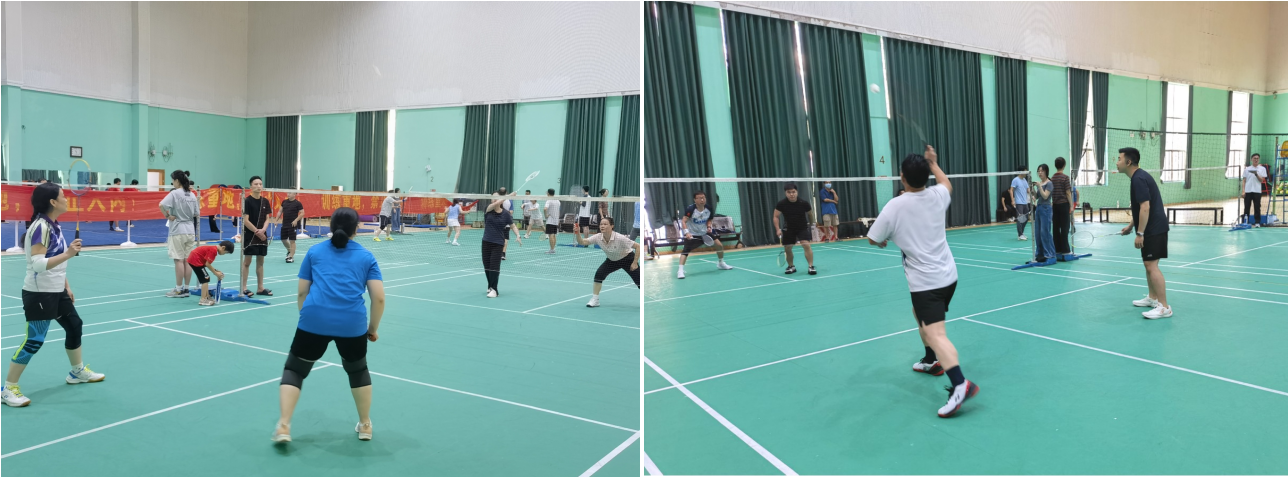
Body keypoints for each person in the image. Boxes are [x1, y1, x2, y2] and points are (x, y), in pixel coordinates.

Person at [865, 145, 978, 418]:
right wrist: (934, 162)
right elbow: (946, 183)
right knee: (920, 316)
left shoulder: (895, 205)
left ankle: (960, 385)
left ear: (902, 177)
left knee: (936, 334)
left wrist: (882, 239)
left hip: (927, 284)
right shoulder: (937, 195)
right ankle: (930, 361)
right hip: (948, 277)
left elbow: (872, 238)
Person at [273, 207, 384, 443]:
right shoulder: (367, 257)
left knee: (294, 370)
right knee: (358, 371)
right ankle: (365, 425)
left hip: (313, 320)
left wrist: (308, 318)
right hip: (352, 324)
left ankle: (283, 426)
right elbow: (379, 299)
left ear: (331, 227)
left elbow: (302, 292)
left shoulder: (314, 251)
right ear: (356, 229)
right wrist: (372, 329)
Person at [3, 183, 105, 408]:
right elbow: (38, 264)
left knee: (74, 325)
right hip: (40, 294)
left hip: (56, 290)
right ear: (52, 202)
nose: (66, 199)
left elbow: (55, 258)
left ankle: (76, 371)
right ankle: (8, 388)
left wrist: (66, 285)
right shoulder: (41, 227)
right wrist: (69, 253)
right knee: (34, 340)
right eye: (62, 196)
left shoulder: (53, 225)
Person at [1117, 147, 1172, 319]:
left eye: (1119, 159)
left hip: (1154, 229)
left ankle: (1164, 307)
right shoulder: (1138, 177)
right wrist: (1131, 226)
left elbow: (1145, 207)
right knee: (1148, 264)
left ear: (1128, 162)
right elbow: (1140, 208)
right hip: (1152, 227)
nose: (1117, 162)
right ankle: (1152, 298)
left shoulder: (1138, 179)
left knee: (1151, 266)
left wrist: (1139, 233)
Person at [573, 217, 641, 307]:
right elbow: (582, 242)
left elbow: (638, 246)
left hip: (627, 259)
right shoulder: (598, 237)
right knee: (599, 275)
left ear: (612, 226)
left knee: (639, 281)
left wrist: (635, 262)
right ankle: (595, 300)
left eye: (605, 224)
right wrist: (578, 233)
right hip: (612, 260)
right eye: (601, 224)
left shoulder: (620, 238)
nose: (602, 226)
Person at [160, 171, 201, 298]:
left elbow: (161, 205)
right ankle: (186, 289)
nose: (172, 183)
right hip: (190, 230)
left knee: (178, 260)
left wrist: (167, 215)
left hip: (178, 230)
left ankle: (178, 290)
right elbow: (196, 213)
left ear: (177, 181)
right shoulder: (192, 194)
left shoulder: (174, 193)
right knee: (187, 260)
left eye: (173, 180)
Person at [676, 191, 734, 279]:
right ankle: (680, 271)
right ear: (695, 200)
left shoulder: (709, 208)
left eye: (703, 198)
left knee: (719, 245)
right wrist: (687, 232)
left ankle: (721, 263)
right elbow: (683, 221)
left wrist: (709, 226)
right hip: (693, 233)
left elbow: (709, 220)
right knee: (686, 251)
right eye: (699, 198)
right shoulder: (690, 209)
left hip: (704, 232)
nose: (702, 200)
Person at [241, 176, 274, 297]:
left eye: (260, 184)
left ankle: (260, 288)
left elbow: (267, 218)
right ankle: (243, 288)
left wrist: (263, 230)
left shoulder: (265, 201)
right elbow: (246, 220)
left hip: (262, 234)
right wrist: (257, 231)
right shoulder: (247, 201)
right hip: (250, 235)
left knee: (260, 261)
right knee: (247, 262)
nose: (259, 186)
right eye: (256, 184)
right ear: (251, 186)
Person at [774, 182, 817, 275]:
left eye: (793, 192)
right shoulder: (781, 204)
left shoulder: (804, 203)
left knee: (806, 245)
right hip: (788, 228)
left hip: (802, 227)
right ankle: (791, 266)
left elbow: (810, 214)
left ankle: (811, 266)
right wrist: (778, 229)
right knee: (788, 248)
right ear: (785, 193)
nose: (791, 194)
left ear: (797, 192)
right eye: (789, 192)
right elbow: (776, 216)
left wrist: (812, 224)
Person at [482, 194, 513, 297]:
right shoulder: (487, 209)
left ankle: (495, 290)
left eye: (497, 197)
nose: (494, 198)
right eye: (493, 197)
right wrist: (509, 196)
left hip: (498, 243)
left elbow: (512, 225)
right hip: (486, 242)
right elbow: (495, 204)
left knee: (494, 266)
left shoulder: (505, 214)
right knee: (487, 266)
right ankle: (490, 286)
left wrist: (518, 235)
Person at [187, 241, 234, 306]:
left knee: (206, 278)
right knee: (205, 278)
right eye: (225, 252)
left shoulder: (213, 249)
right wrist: (216, 273)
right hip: (196, 260)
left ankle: (207, 296)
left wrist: (216, 270)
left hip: (196, 259)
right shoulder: (213, 251)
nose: (224, 254)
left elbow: (206, 263)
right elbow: (207, 264)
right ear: (223, 248)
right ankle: (203, 299)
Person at [1030, 164, 1056, 266]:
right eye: (1038, 171)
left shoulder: (1049, 183)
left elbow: (1045, 196)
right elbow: (1036, 197)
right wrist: (1032, 189)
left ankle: (1050, 254)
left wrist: (1039, 187)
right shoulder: (1040, 183)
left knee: (1045, 232)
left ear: (1046, 172)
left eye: (1042, 171)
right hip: (1039, 208)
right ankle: (1040, 254)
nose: (1040, 173)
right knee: (1038, 233)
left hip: (1046, 209)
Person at [1051, 157, 1074, 259]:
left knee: (1056, 228)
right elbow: (1068, 192)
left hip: (1055, 206)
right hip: (1064, 205)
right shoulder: (1065, 178)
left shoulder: (1052, 178)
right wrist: (1071, 205)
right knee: (1065, 228)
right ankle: (1065, 250)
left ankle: (1057, 249)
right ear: (1064, 165)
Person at [1242, 153, 1268, 227]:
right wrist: (1243, 191)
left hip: (1257, 191)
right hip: (1248, 191)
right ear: (1251, 159)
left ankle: (1257, 222)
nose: (1256, 160)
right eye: (1254, 158)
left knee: (1257, 207)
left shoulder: (1262, 169)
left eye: (1257, 158)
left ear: (1259, 159)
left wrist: (1256, 174)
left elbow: (1262, 180)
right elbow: (1244, 180)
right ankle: (1246, 222)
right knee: (1247, 207)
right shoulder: (1247, 169)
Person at [279, 191, 304, 263]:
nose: (288, 194)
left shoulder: (298, 203)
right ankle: (289, 250)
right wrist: (276, 220)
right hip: (285, 224)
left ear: (295, 194)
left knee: (292, 240)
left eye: (290, 193)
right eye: (288, 193)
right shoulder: (284, 202)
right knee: (283, 239)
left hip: (293, 224)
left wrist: (296, 220)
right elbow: (280, 211)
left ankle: (291, 257)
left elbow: (302, 213)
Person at [498, 187, 521, 260]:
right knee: (505, 238)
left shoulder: (496, 199)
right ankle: (503, 254)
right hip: (506, 221)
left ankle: (498, 253)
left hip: (498, 221)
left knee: (499, 238)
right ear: (506, 192)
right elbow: (511, 212)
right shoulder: (509, 200)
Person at [1009, 169, 1031, 241]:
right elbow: (1011, 190)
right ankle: (1020, 234)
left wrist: (1032, 196)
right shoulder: (1015, 180)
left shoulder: (1025, 180)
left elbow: (1028, 190)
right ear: (1021, 172)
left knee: (1026, 218)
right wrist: (1012, 200)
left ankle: (1021, 233)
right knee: (1020, 219)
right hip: (1019, 203)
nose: (1026, 173)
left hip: (1025, 203)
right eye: (1025, 171)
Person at [544, 189, 561, 254]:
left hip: (550, 220)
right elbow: (559, 210)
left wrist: (546, 215)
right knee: (554, 235)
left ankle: (552, 249)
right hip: (556, 220)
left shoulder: (548, 200)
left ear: (548, 193)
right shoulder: (558, 201)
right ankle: (553, 249)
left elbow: (545, 209)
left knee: (551, 235)